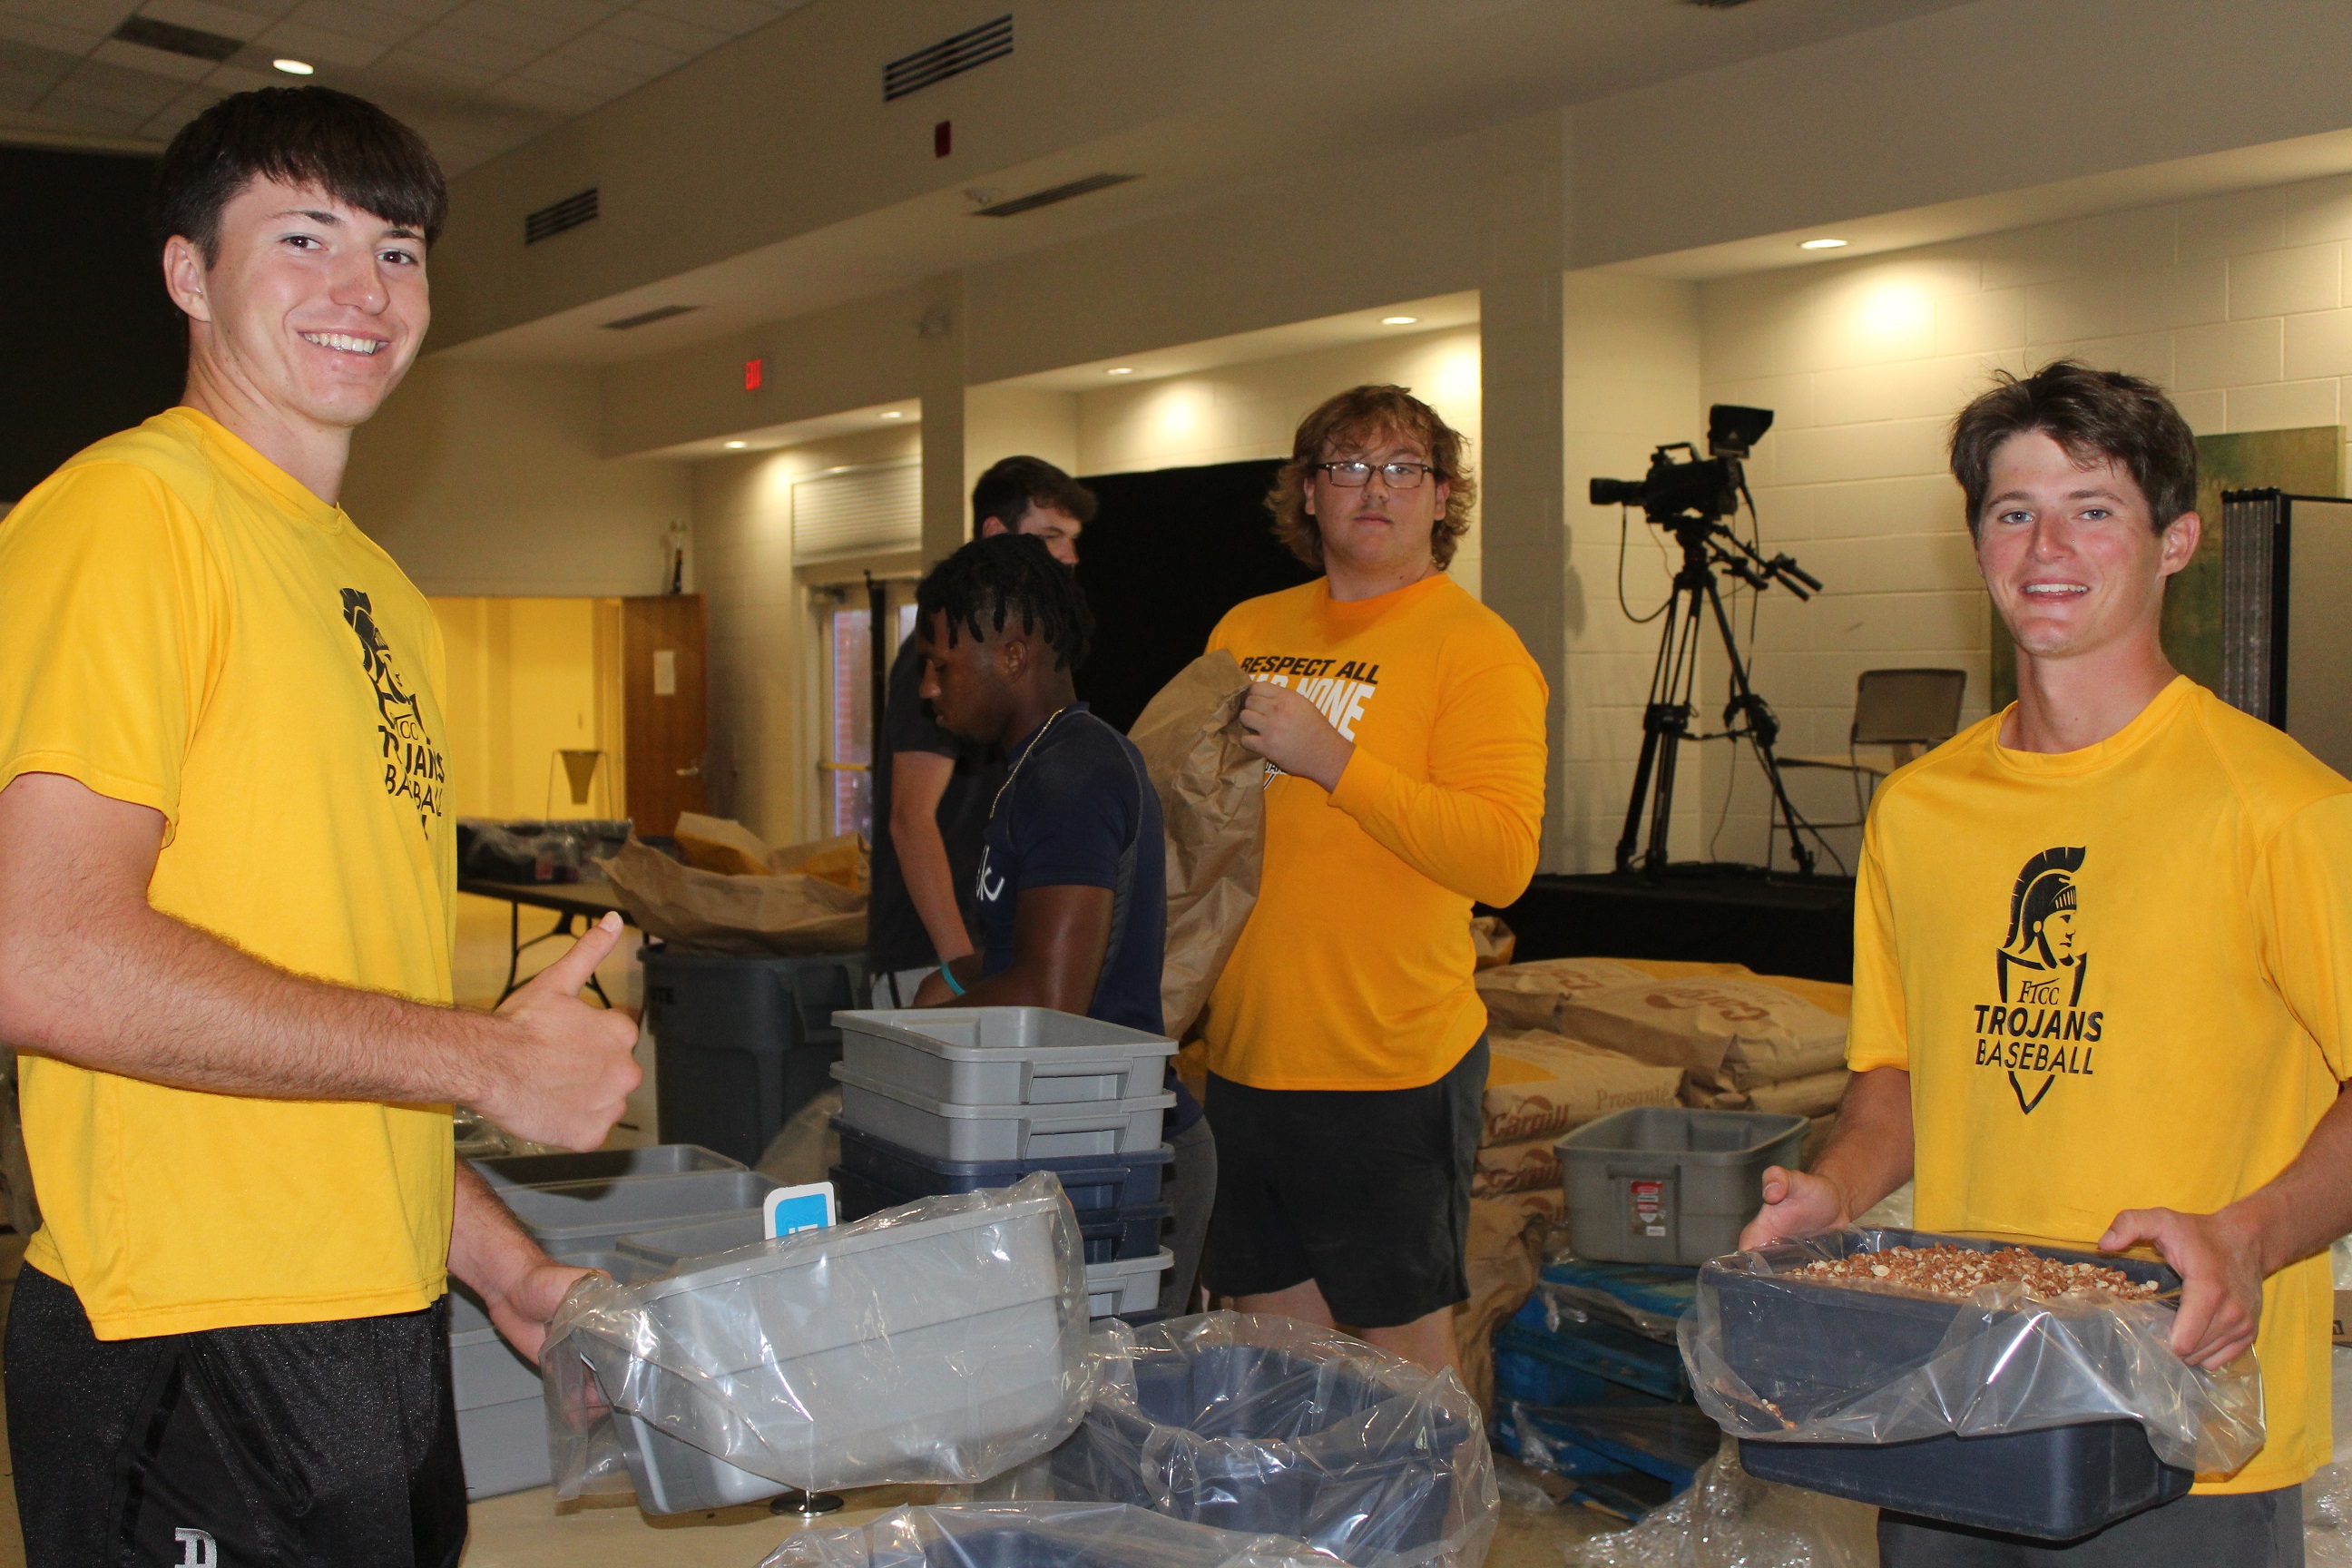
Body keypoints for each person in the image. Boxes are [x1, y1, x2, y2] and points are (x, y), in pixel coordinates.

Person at [0, 88, 641, 1565]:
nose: (364, 289)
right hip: (189, 1337)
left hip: (375, 1326)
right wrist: (485, 1056)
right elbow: (44, 954)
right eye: (305, 238)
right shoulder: (127, 517)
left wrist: (502, 1265)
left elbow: (328, 1024)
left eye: (399, 250)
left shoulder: (382, 598)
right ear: (188, 273)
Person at [1741, 359, 2352, 1567]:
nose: (2047, 545)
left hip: (2183, 1421)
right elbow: (1896, 1076)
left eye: (2094, 508)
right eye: (2013, 510)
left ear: (2174, 541)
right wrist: (1839, 1191)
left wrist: (2250, 1238)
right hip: (1958, 1398)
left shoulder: (2281, 808)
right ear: (1975, 543)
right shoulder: (1921, 810)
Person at [1197, 384, 1549, 1374]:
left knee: (1403, 1360)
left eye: (1403, 468)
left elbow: (1502, 859)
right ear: (1308, 494)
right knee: (1276, 1350)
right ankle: (1305, 1534)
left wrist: (1335, 761)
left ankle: (1434, 1532)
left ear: (1444, 498)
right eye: (1347, 466)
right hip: (1249, 1053)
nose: (1374, 489)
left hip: (1390, 1063)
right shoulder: (1243, 628)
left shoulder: (1476, 650)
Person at [905, 535, 1212, 1313]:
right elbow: (1011, 953)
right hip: (1074, 1139)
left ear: (1012, 657)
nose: (927, 690)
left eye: (942, 665)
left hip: (1120, 1153)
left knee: (1107, 1417)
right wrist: (947, 981)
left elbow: (1051, 994)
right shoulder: (1034, 768)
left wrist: (915, 1035)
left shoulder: (1073, 774)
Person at [867, 456, 1093, 1009]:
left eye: (1073, 539)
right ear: (996, 531)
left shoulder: (1011, 660)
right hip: (932, 958)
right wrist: (961, 964)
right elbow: (909, 819)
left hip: (990, 952)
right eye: (1051, 535)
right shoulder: (938, 658)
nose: (1069, 554)